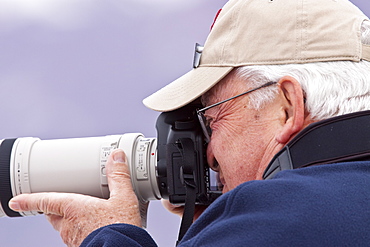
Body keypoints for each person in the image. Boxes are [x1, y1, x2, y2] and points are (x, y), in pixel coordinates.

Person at [7, 0, 370, 246]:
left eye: (214, 118)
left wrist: (108, 235)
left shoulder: (278, 217)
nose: (209, 153)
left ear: (287, 108)